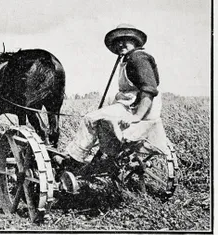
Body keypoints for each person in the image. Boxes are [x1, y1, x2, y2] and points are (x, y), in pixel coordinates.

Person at [63, 24, 169, 171]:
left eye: (125, 40)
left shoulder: (138, 58)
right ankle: (111, 156)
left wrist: (137, 116)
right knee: (101, 119)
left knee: (89, 119)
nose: (120, 44)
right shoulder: (128, 59)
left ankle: (74, 159)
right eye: (117, 42)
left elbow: (149, 90)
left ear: (135, 41)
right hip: (129, 105)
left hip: (135, 108)